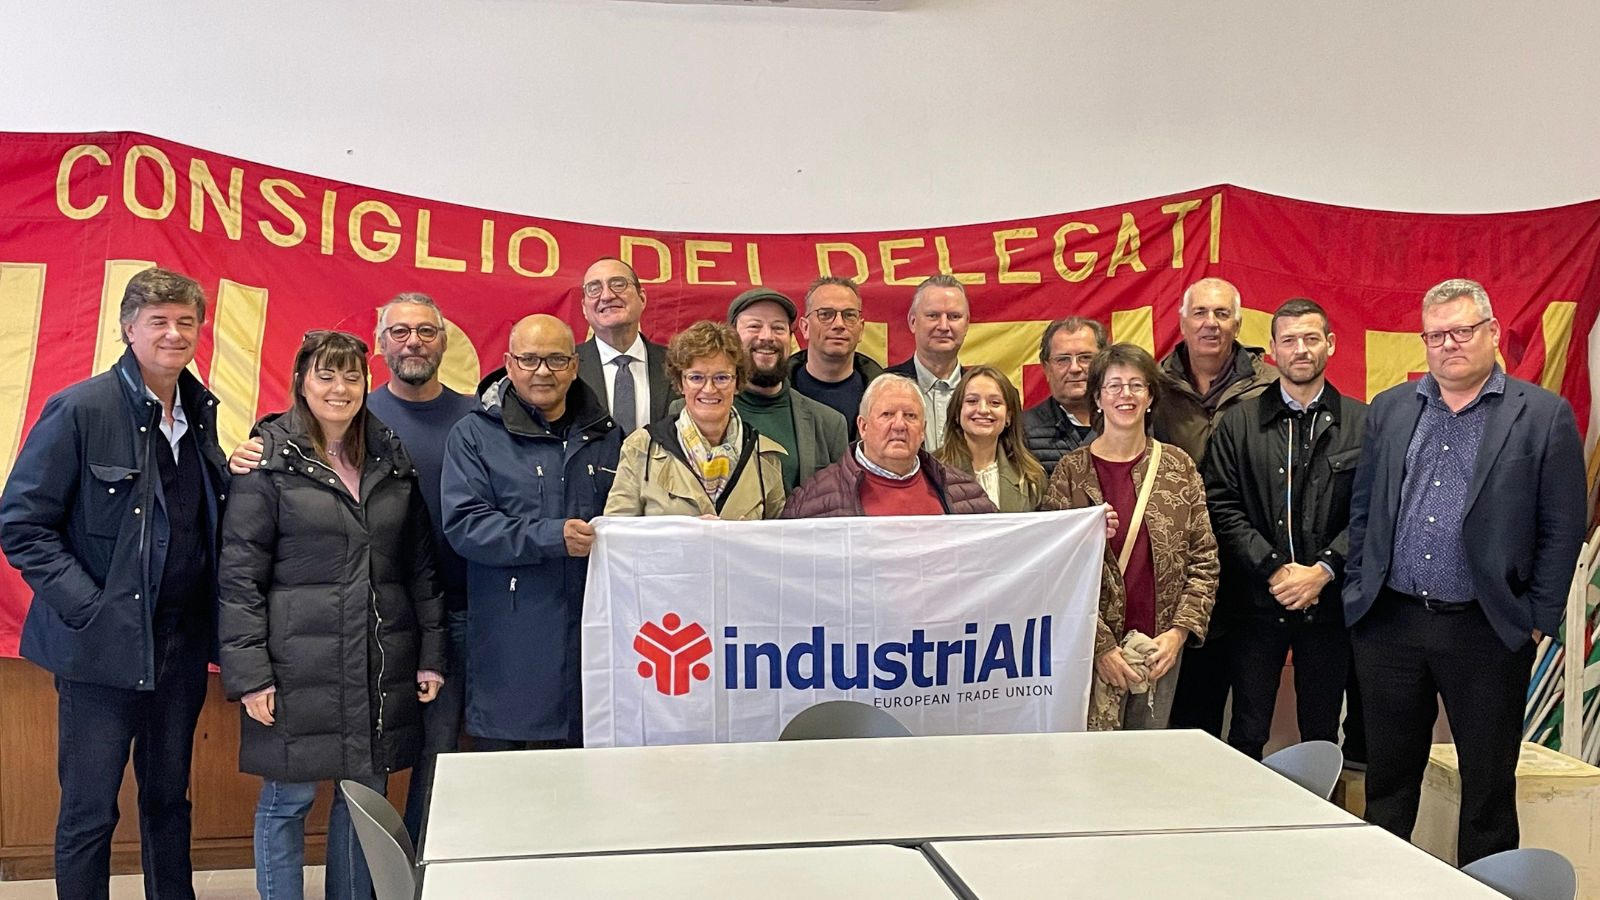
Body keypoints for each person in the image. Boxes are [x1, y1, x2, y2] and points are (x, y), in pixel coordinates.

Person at [0, 267, 229, 900]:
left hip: (180, 646)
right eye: (158, 321)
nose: (174, 333)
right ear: (129, 329)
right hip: (101, 650)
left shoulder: (200, 414)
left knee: (169, 801)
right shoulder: (81, 408)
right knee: (90, 809)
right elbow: (22, 525)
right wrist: (92, 608)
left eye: (186, 321)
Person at [1344, 278, 1585, 865]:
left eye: (1462, 330)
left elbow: (1562, 527)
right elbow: (1365, 508)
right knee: (1388, 781)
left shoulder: (1542, 415)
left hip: (1487, 627)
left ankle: (1484, 885)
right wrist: (1357, 589)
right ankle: (1384, 882)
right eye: (1436, 335)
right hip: (1391, 623)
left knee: (1487, 788)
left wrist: (1536, 619)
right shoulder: (1392, 408)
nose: (1448, 344)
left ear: (1493, 333)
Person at [227, 293, 476, 842]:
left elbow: (418, 567)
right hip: (299, 658)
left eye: (350, 377)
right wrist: (251, 674)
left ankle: (385, 881)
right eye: (326, 376)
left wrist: (430, 654)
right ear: (302, 382)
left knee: (370, 795)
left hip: (389, 647)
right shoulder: (270, 456)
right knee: (289, 799)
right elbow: (240, 578)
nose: (339, 388)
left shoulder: (394, 451)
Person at [441, 314, 621, 750]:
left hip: (594, 648)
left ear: (574, 366)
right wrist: (552, 537)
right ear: (508, 364)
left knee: (585, 784)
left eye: (556, 360)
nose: (543, 371)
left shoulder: (608, 436)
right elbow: (466, 526)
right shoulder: (474, 434)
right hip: (512, 648)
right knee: (507, 787)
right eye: (529, 359)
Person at [1201, 298, 1367, 760]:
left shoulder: (1364, 423)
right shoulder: (1237, 423)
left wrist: (1323, 571)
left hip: (1329, 607)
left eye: (1311, 338)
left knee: (1321, 736)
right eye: (1289, 340)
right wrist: (1274, 570)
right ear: (1272, 350)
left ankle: (1320, 806)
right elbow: (1221, 506)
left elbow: (1372, 511)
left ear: (1330, 344)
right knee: (1246, 732)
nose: (1300, 349)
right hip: (1255, 605)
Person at [1040, 343, 1218, 730]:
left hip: (1158, 653)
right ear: (1098, 398)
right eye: (1114, 385)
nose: (1126, 395)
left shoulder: (1178, 467)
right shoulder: (1071, 472)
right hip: (1090, 655)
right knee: (1089, 759)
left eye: (1137, 385)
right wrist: (1100, 646)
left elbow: (1204, 560)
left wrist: (1178, 634)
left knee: (1145, 760)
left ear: (1150, 397)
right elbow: (1053, 570)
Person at [1154, 276, 1274, 737]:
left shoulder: (1270, 387)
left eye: (1222, 314)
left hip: (1251, 568)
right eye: (1200, 313)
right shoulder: (1153, 387)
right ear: (1182, 322)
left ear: (1238, 325)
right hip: (1181, 573)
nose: (1211, 323)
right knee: (1188, 716)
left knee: (1251, 715)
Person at [606, 321, 787, 519]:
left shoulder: (764, 456)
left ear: (737, 383)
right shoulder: (640, 448)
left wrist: (750, 535)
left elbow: (780, 536)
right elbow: (615, 532)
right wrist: (683, 533)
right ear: (680, 383)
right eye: (696, 378)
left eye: (721, 378)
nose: (709, 389)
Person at [781, 375, 997, 518]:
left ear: (923, 430)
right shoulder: (811, 500)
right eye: (887, 414)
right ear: (863, 426)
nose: (899, 425)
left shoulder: (967, 494)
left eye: (910, 416)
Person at [708, 288, 847, 491]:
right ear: (732, 337)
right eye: (754, 326)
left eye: (778, 328)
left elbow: (840, 502)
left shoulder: (829, 425)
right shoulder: (688, 413)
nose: (767, 336)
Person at [575, 257, 676, 433]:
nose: (606, 296)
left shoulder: (676, 363)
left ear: (642, 298)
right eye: (594, 289)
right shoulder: (567, 366)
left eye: (618, 284)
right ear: (584, 308)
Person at [934, 365, 1046, 512]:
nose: (983, 410)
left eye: (995, 403)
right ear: (957, 413)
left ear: (1008, 416)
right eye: (972, 401)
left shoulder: (1032, 477)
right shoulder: (932, 471)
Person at [789, 276, 885, 439]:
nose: (839, 324)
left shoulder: (884, 396)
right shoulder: (777, 392)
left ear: (861, 329)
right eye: (826, 314)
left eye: (849, 315)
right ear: (805, 327)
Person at [886, 274, 971, 451]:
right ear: (913, 322)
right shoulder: (883, 387)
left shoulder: (986, 395)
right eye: (933, 316)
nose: (943, 326)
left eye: (954, 316)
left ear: (966, 324)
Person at [1024, 317, 1105, 475]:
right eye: (1062, 359)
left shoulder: (1133, 423)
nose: (1075, 368)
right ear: (1046, 369)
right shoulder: (1021, 431)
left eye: (1085, 357)